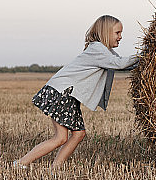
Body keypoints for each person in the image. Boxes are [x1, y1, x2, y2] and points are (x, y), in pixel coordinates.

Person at [13, 15, 139, 168]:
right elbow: (119, 64)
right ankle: (21, 163)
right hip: (62, 92)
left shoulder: (105, 52)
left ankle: (55, 168)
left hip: (66, 94)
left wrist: (146, 62)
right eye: (117, 33)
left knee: (78, 134)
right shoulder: (97, 49)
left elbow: (124, 64)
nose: (120, 37)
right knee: (61, 138)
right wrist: (145, 54)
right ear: (105, 32)